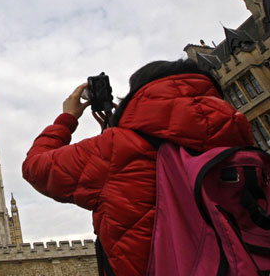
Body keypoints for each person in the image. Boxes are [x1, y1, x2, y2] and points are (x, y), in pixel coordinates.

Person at [22, 59, 253, 275]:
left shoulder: (118, 147)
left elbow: (36, 168)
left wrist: (67, 118)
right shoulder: (237, 135)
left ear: (140, 94)